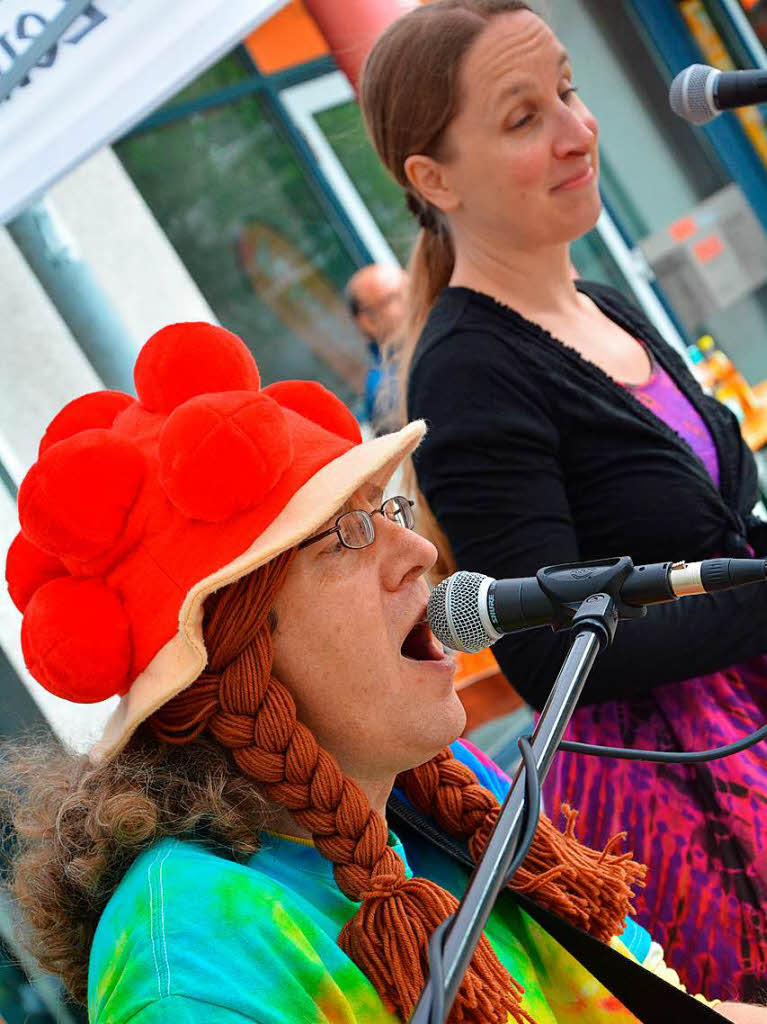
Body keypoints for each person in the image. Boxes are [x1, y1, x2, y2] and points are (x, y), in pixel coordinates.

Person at [2, 321, 758, 1023]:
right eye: (343, 538)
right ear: (233, 661)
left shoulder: (437, 790)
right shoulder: (190, 957)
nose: (419, 554)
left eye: (384, 513)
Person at [359, 0, 767, 1003]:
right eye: (520, 116)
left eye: (569, 92)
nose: (577, 129)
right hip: (682, 795)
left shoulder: (602, 305)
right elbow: (548, 651)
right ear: (432, 178)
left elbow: (714, 527)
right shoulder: (466, 369)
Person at [346, 263, 408, 435]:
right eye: (396, 296)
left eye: (411, 286)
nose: (413, 296)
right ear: (368, 321)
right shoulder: (387, 392)